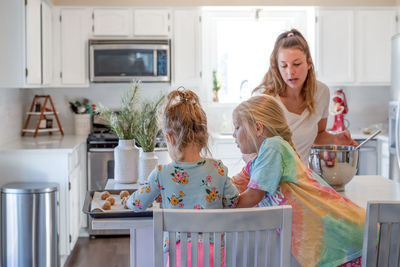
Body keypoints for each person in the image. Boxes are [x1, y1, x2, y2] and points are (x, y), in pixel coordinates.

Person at [233, 95, 365, 267]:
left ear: (258, 128)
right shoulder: (257, 162)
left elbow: (252, 196)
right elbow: (232, 185)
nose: (233, 134)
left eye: (237, 127)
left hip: (341, 237)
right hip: (336, 238)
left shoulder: (273, 147)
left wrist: (220, 206)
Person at [127, 88, 239, 266]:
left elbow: (137, 204)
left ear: (169, 138)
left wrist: (128, 198)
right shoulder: (218, 169)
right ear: (204, 137)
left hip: (180, 254)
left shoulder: (161, 173)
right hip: (214, 253)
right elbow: (233, 200)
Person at [254, 28, 357, 163]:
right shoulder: (265, 98)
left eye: (297, 64)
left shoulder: (321, 92)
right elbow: (251, 147)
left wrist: (335, 139)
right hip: (269, 179)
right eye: (284, 66)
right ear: (276, 67)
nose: (290, 72)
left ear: (309, 63)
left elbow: (318, 135)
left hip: (301, 177)